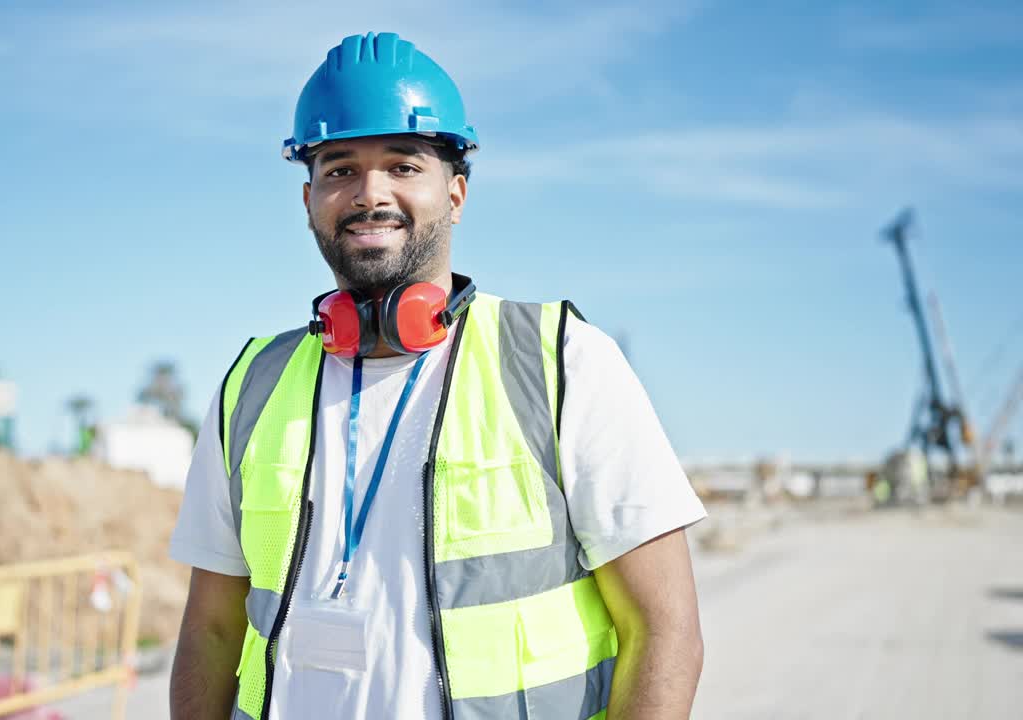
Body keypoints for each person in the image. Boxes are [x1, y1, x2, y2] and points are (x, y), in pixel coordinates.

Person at [169, 32, 707, 720]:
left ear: (455, 193)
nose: (370, 194)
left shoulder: (563, 361)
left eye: (402, 165)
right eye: (340, 169)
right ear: (308, 200)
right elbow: (209, 632)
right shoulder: (253, 385)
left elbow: (664, 632)